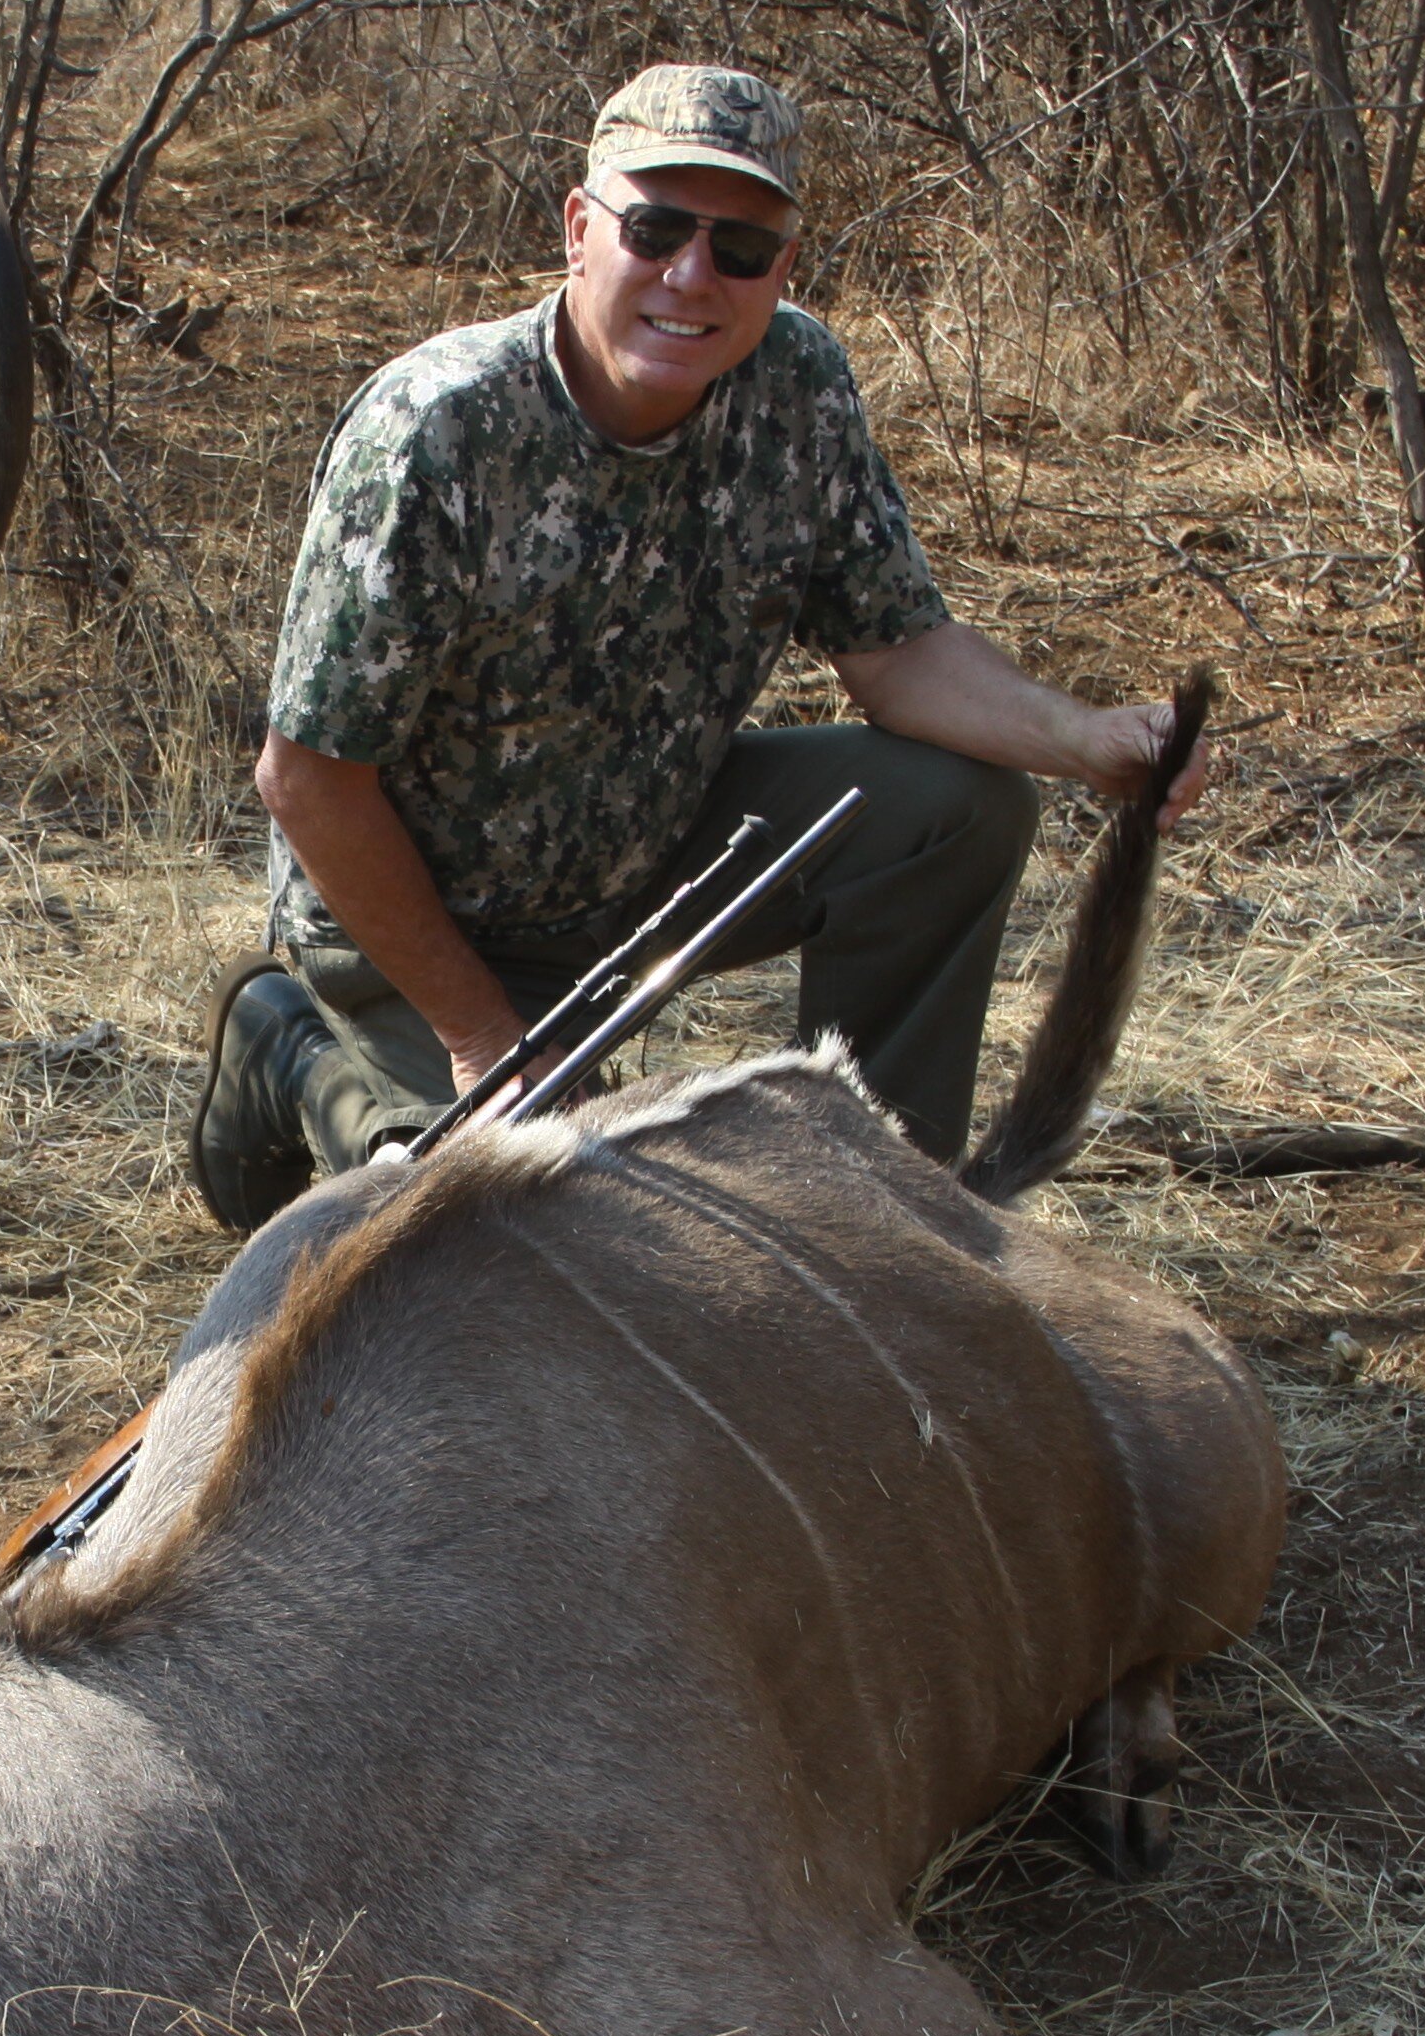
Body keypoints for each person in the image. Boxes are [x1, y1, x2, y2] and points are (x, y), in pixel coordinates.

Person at [191, 63, 1213, 1231]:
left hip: (645, 863)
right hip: (421, 926)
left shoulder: (798, 382)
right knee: (511, 1229)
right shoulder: (434, 429)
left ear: (783, 266)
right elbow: (308, 780)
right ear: (582, 230)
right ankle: (284, 1052)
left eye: (740, 247)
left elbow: (897, 653)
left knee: (957, 809)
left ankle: (879, 1225)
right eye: (657, 228)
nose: (691, 275)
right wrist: (484, 1039)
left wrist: (1083, 742)